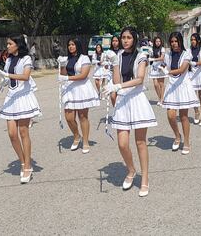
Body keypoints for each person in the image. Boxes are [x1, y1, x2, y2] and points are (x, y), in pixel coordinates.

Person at [103, 27, 156, 197]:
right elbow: (117, 80)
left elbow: (140, 79)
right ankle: (131, 170)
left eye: (128, 37)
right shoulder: (117, 56)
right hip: (123, 101)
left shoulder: (141, 56)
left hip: (137, 99)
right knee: (122, 143)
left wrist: (119, 86)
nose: (125, 40)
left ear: (134, 39)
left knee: (140, 142)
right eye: (123, 37)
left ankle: (145, 178)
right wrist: (115, 68)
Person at [0, 34, 41, 183]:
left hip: (23, 97)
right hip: (12, 97)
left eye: (9, 44)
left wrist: (7, 74)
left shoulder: (26, 58)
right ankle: (22, 161)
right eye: (7, 44)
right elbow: (10, 77)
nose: (7, 46)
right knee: (12, 134)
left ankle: (27, 166)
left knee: (23, 132)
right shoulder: (8, 59)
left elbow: (26, 76)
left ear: (18, 45)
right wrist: (4, 80)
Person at [58, 38, 100, 154]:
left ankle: (85, 141)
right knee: (69, 117)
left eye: (73, 44)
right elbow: (63, 74)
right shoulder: (67, 59)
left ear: (77, 45)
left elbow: (83, 75)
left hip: (81, 88)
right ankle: (77, 136)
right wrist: (62, 65)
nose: (70, 47)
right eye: (69, 45)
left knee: (83, 116)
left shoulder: (84, 58)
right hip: (69, 89)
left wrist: (67, 78)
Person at [161, 32, 199, 155]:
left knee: (183, 116)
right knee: (171, 115)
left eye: (176, 41)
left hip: (182, 86)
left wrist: (167, 71)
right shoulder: (168, 54)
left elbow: (182, 70)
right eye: (172, 41)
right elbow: (164, 64)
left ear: (180, 41)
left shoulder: (186, 54)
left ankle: (186, 142)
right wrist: (160, 66)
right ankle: (177, 136)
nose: (174, 44)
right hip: (172, 86)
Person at [148, 36, 167, 106]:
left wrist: (153, 59)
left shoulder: (162, 49)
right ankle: (160, 98)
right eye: (156, 41)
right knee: (155, 84)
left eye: (159, 41)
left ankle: (161, 99)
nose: (158, 43)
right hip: (154, 67)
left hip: (161, 67)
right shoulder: (152, 49)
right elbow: (149, 56)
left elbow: (162, 58)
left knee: (161, 84)